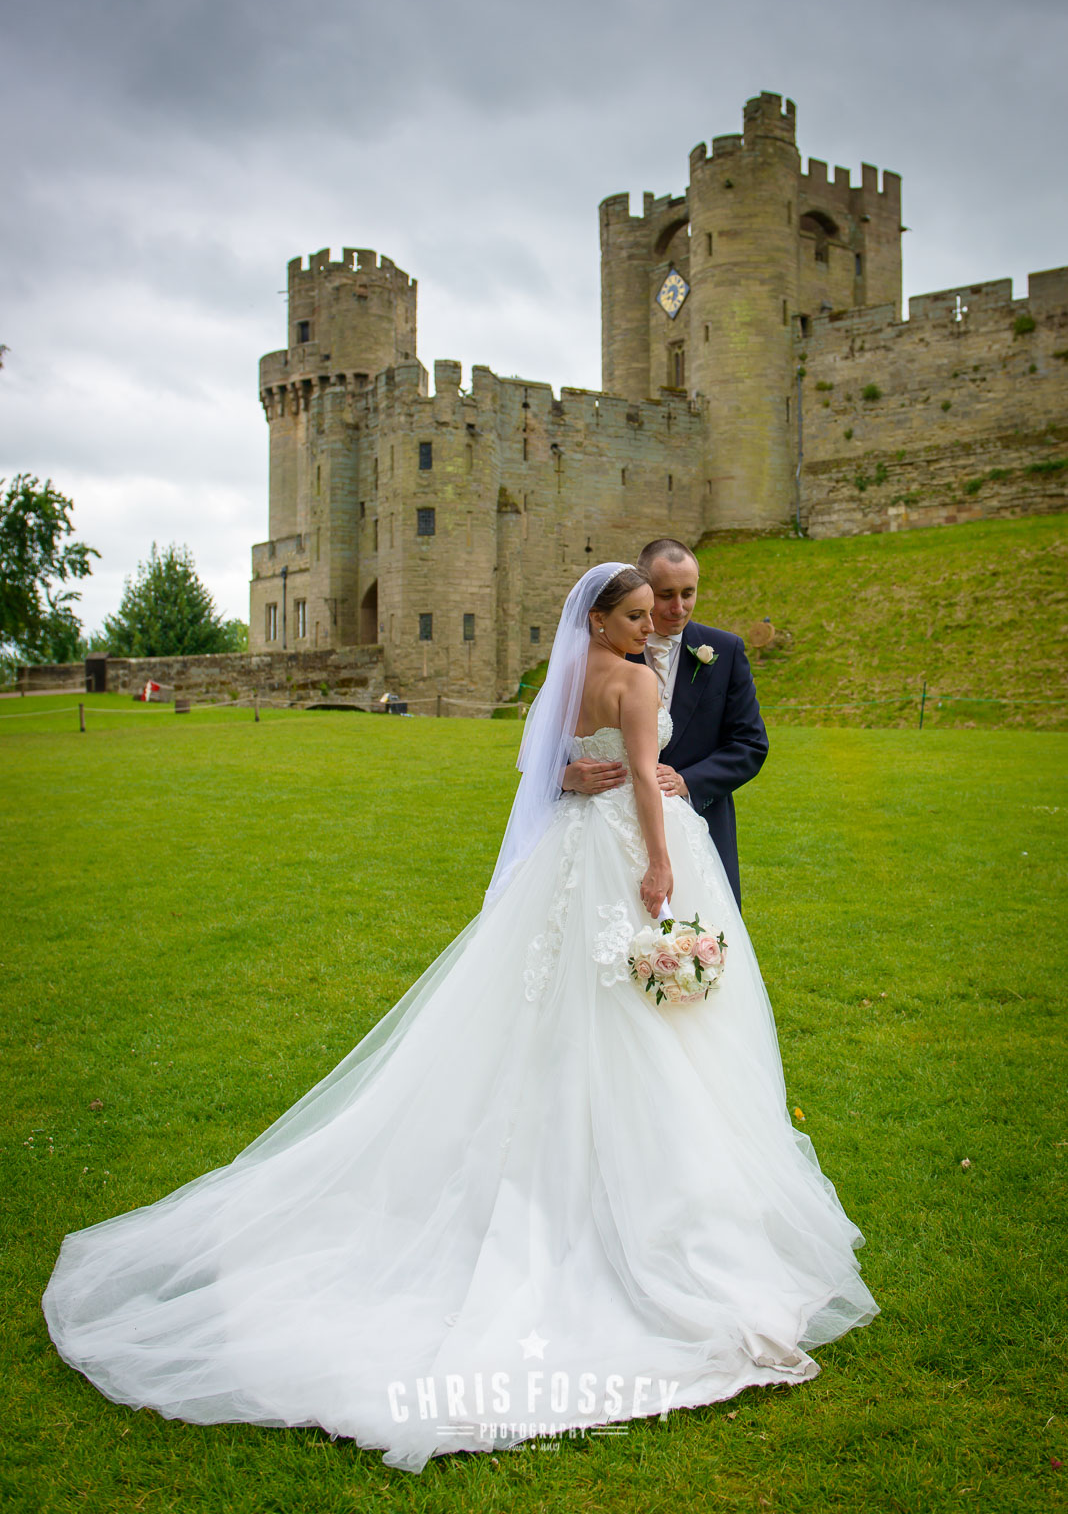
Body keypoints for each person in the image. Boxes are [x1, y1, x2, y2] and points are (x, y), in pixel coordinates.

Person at [42, 562, 878, 1475]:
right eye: (638, 615)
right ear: (601, 620)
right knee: (645, 1019)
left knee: (571, 1013)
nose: (655, 628)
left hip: (571, 859)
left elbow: (550, 770)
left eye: (655, 615)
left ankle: (590, 1173)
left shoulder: (568, 679)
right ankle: (645, 1213)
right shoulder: (634, 680)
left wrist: (577, 777)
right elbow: (645, 773)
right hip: (635, 852)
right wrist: (659, 870)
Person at [563, 539, 766, 908]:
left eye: (689, 593)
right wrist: (566, 775)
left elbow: (749, 744)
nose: (678, 607)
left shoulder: (725, 649)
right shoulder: (600, 659)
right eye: (665, 595)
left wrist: (689, 781)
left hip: (700, 825)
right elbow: (550, 740)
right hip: (604, 833)